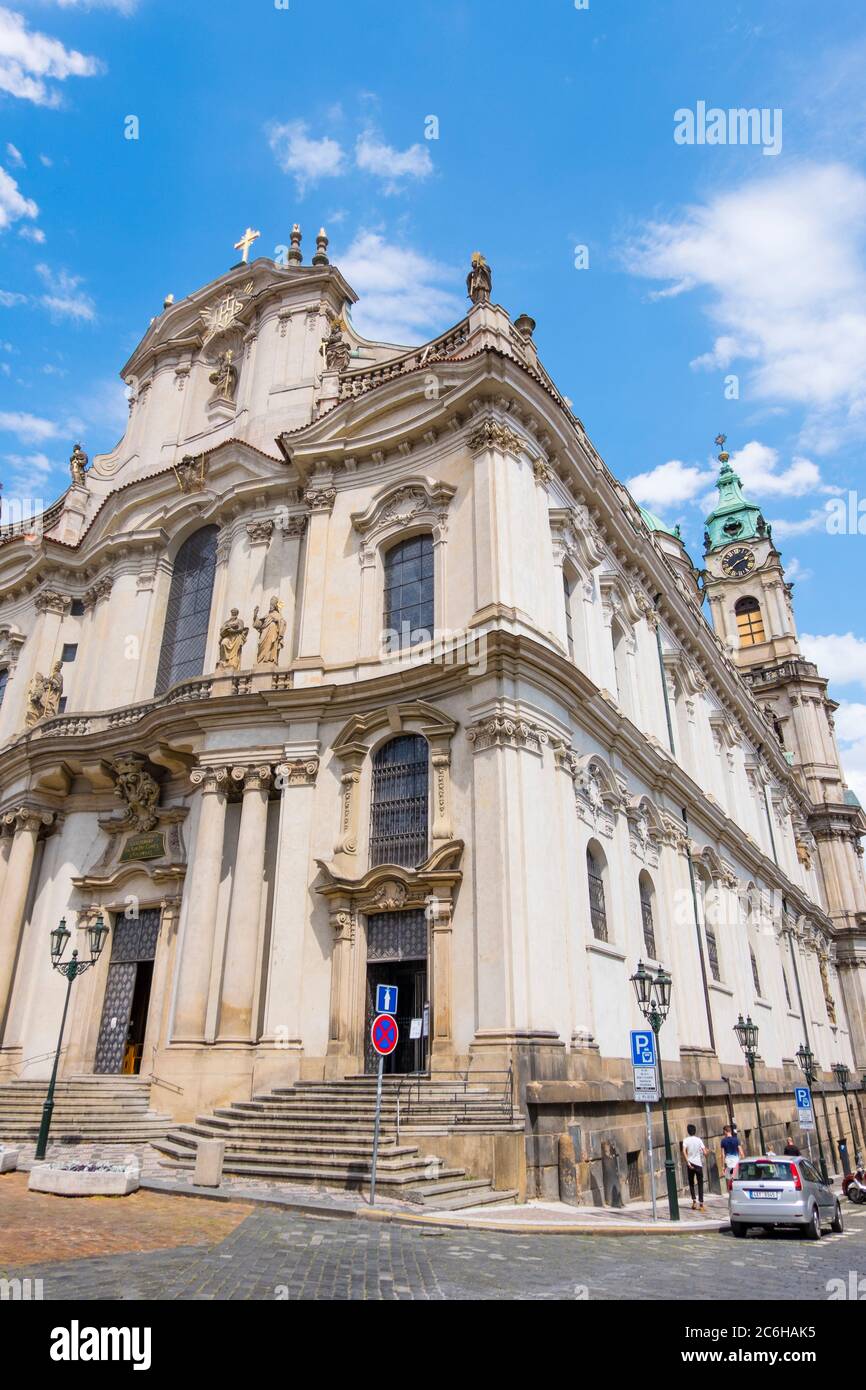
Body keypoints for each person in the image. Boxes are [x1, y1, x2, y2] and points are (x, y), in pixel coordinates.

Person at [682, 1123, 708, 1211]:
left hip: (690, 1164)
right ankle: (701, 1204)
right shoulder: (699, 1140)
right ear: (695, 1131)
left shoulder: (685, 1140)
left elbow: (684, 1151)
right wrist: (706, 1152)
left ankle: (694, 1201)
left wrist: (688, 1162)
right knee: (700, 1183)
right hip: (698, 1164)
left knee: (691, 1183)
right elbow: (705, 1153)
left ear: (688, 1131)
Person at [720, 1124, 744, 1190]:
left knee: (729, 1179)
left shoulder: (723, 1141)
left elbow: (722, 1154)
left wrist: (722, 1167)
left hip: (728, 1161)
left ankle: (730, 1192)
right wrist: (743, 1161)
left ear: (725, 1131)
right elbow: (741, 1153)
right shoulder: (736, 1140)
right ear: (730, 1131)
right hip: (736, 1161)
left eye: (723, 1131)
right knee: (736, 1178)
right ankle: (737, 1191)